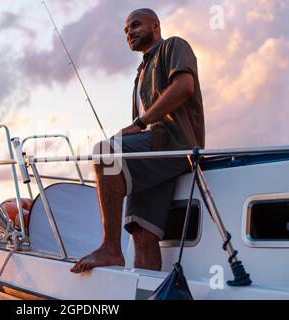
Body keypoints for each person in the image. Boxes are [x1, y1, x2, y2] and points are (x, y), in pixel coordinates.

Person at [70, 8, 205, 273]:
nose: (129, 32)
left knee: (104, 153)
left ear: (155, 26)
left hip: (173, 146)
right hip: (153, 156)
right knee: (142, 232)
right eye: (125, 30)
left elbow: (184, 86)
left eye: (135, 25)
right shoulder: (140, 73)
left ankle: (110, 248)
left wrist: (139, 124)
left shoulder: (173, 46)